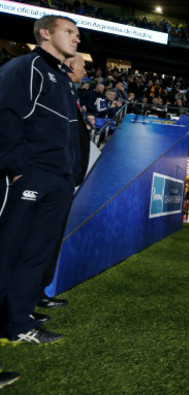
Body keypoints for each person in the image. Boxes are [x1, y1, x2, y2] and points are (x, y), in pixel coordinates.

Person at [0, 15, 86, 345]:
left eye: (77, 34)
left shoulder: (63, 79)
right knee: (7, 252)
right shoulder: (26, 67)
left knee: (36, 255)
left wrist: (68, 175)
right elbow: (5, 115)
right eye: (69, 32)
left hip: (58, 181)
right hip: (29, 176)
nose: (77, 39)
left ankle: (18, 323)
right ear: (45, 33)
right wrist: (18, 168)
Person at [35, 52, 91, 318]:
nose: (85, 72)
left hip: (64, 181)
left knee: (49, 241)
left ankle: (36, 293)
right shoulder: (53, 88)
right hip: (49, 178)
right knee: (35, 240)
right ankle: (22, 301)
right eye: (82, 66)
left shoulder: (70, 94)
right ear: (70, 65)